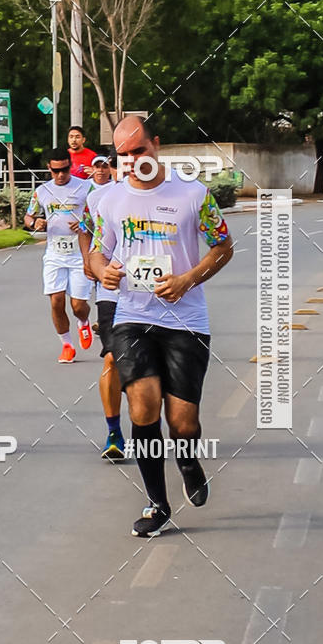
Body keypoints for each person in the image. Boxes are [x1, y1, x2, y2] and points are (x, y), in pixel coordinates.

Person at [89, 116, 233, 536]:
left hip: (186, 319)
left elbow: (223, 247)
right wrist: (103, 273)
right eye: (124, 154)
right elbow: (97, 253)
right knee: (142, 405)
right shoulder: (110, 200)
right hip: (133, 316)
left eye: (139, 150)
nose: (133, 160)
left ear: (156, 144)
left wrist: (188, 278)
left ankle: (187, 459)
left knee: (183, 422)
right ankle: (157, 502)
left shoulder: (194, 195)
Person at [24, 147, 93, 363]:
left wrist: (83, 223)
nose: (61, 175)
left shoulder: (86, 187)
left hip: (79, 252)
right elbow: (28, 216)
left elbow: (99, 218)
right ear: (49, 169)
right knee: (56, 301)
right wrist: (35, 222)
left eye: (64, 169)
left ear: (70, 165)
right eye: (56, 171)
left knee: (78, 306)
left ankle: (83, 322)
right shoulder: (42, 191)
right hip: (54, 253)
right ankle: (67, 345)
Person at [79, 152, 126, 459]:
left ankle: (151, 426)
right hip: (112, 291)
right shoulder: (101, 198)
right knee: (111, 360)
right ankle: (114, 433)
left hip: (153, 294)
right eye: (125, 158)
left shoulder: (166, 192)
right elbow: (87, 229)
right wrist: (91, 262)